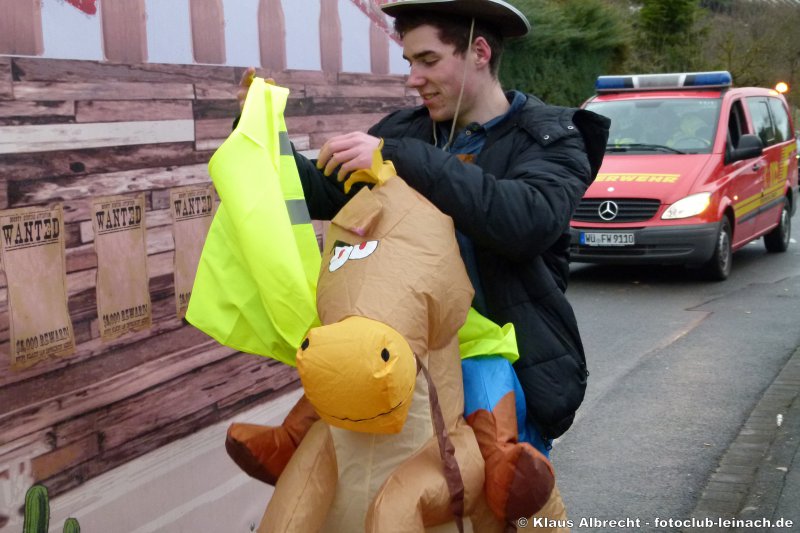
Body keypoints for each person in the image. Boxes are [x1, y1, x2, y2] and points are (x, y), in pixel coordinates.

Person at [226, 0, 609, 526]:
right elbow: (321, 193)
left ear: (479, 52)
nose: (413, 79)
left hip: (503, 376)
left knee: (500, 510)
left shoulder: (550, 137)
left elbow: (527, 221)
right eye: (409, 62)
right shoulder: (404, 132)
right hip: (407, 371)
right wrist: (261, 131)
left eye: (428, 60)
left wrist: (399, 157)